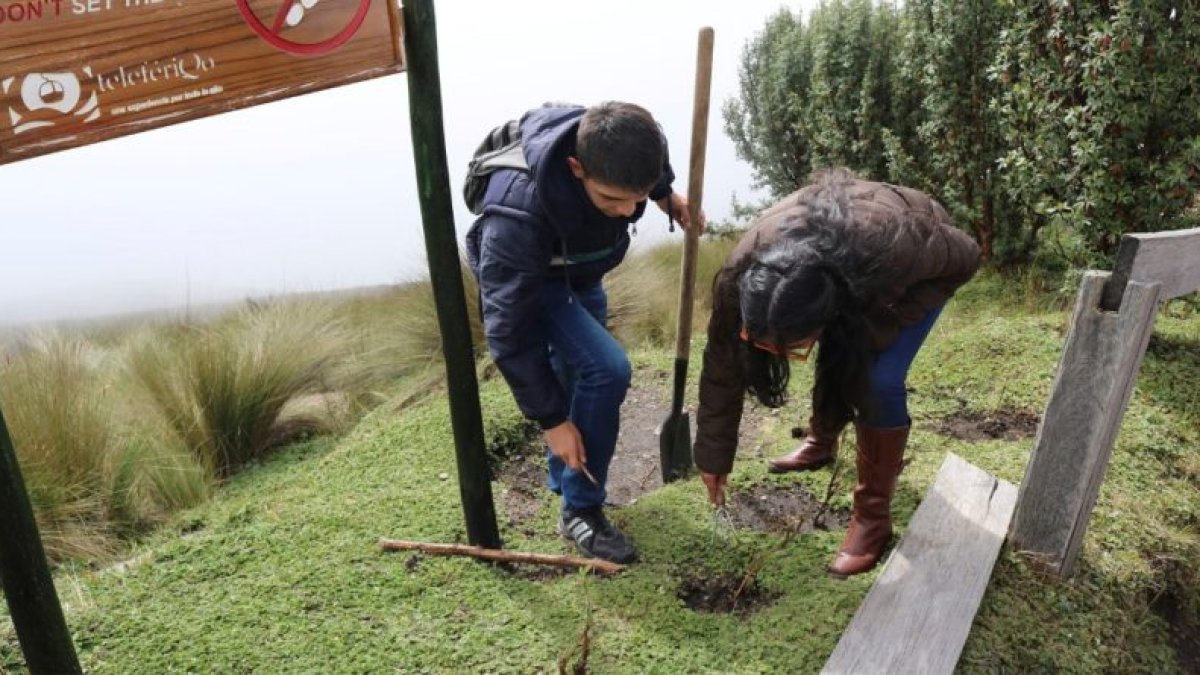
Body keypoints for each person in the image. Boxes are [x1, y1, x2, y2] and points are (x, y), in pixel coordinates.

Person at [692, 169, 980, 577]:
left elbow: (967, 256)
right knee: (840, 347)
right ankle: (821, 441)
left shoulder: (894, 245)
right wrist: (713, 457)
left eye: (792, 347)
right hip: (842, 264)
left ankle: (872, 520)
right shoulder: (741, 280)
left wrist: (889, 316)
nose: (776, 356)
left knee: (877, 379)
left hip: (913, 264)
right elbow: (722, 365)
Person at [465, 101, 700, 564]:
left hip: (584, 269)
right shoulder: (516, 213)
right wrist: (552, 422)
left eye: (637, 197)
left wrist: (665, 196)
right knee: (606, 370)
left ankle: (565, 481)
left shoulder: (637, 143)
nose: (627, 211)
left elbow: (652, 170)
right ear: (576, 167)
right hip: (535, 280)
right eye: (612, 199)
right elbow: (507, 329)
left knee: (576, 372)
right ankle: (582, 510)